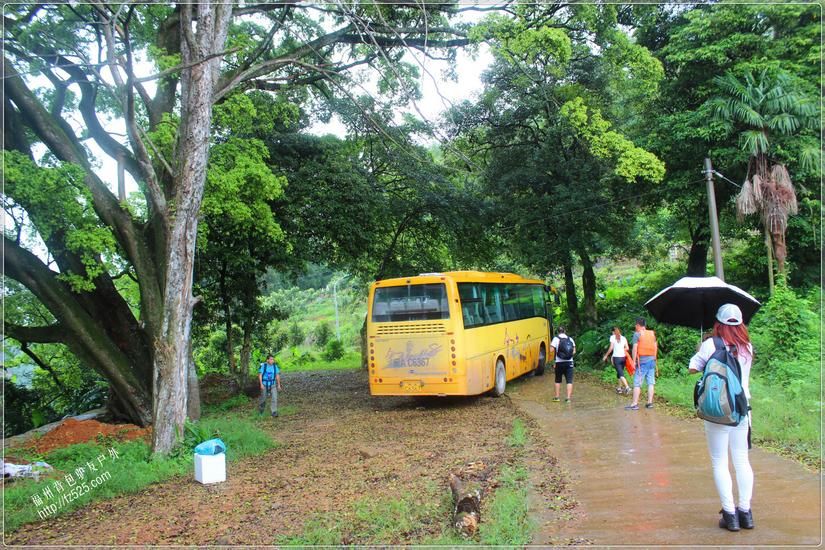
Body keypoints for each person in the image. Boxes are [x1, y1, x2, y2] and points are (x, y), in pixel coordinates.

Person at [688, 304, 755, 532]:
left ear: (718, 323)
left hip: (718, 410)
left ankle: (730, 515)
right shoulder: (747, 347)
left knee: (719, 461)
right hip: (742, 409)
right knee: (742, 461)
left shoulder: (710, 344)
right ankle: (746, 513)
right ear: (740, 323)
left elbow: (692, 368)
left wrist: (705, 350)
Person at [625, 317, 658, 410]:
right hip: (652, 361)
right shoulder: (652, 334)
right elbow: (655, 346)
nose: (635, 327)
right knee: (651, 382)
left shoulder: (637, 334)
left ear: (638, 325)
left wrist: (633, 361)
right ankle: (649, 403)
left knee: (637, 383)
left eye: (635, 325)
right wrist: (654, 359)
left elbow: (635, 348)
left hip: (642, 362)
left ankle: (634, 404)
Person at [602, 326, 631, 395]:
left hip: (617, 358)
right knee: (619, 373)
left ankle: (627, 387)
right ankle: (619, 388)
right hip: (623, 358)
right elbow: (627, 348)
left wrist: (606, 355)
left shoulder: (612, 337)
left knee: (620, 373)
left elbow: (611, 348)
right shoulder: (624, 338)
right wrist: (621, 350)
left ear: (613, 332)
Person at [550, 326, 576, 403]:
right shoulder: (570, 339)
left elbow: (551, 350)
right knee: (569, 381)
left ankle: (557, 397)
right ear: (565, 331)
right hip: (569, 362)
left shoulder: (556, 339)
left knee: (558, 380)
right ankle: (568, 398)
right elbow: (574, 351)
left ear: (558, 331)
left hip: (559, 362)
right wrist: (568, 355)